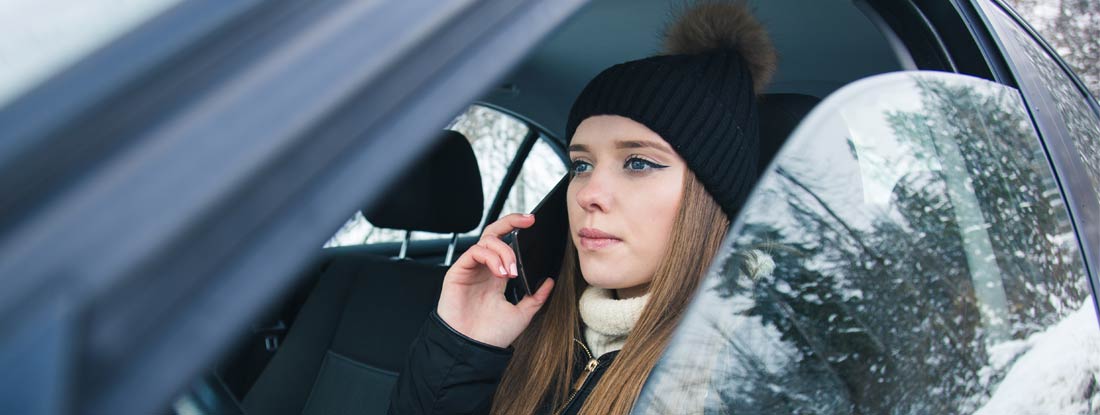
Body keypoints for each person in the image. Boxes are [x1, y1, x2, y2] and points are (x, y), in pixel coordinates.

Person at [388, 2, 777, 414]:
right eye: (581, 165)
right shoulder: (536, 326)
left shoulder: (750, 370)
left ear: (711, 197)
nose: (588, 193)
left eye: (638, 163)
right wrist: (463, 346)